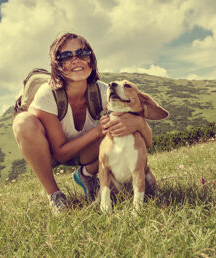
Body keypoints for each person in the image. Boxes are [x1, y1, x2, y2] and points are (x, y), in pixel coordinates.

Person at [12, 32, 153, 214]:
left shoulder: (103, 91)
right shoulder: (47, 95)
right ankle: (55, 195)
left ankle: (86, 175)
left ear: (91, 60)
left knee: (123, 125)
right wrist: (98, 132)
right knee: (22, 122)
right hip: (52, 154)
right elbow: (61, 154)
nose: (76, 59)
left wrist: (138, 123)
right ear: (57, 65)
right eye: (66, 56)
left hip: (86, 152)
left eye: (82, 53)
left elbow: (147, 142)